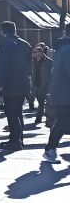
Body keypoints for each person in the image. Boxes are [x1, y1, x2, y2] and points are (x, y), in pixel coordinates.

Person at [0, 21, 32, 151]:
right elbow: (30, 66)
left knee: (11, 113)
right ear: (15, 30)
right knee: (18, 112)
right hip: (23, 84)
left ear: (3, 31)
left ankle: (15, 141)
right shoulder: (25, 44)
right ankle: (18, 139)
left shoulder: (6, 45)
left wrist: (0, 84)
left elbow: (4, 66)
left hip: (11, 85)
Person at [43, 24, 70, 163]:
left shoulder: (62, 49)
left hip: (61, 93)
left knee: (62, 121)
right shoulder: (67, 50)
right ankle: (50, 150)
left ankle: (50, 149)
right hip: (65, 94)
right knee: (62, 122)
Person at [31, 45, 53, 125]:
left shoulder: (48, 61)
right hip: (36, 84)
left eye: (35, 52)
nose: (33, 53)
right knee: (41, 101)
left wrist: (48, 82)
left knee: (41, 102)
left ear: (40, 52)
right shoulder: (33, 61)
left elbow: (51, 72)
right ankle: (44, 117)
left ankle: (39, 118)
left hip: (44, 84)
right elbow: (32, 72)